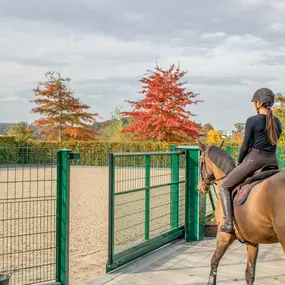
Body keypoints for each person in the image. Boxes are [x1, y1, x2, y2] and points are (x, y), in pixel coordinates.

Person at [220, 88, 283, 234]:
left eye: (254, 102)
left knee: (225, 186)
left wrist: (239, 161)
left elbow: (245, 146)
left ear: (258, 103)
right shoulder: (277, 122)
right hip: (273, 161)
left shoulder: (252, 120)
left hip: (254, 160)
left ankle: (229, 224)